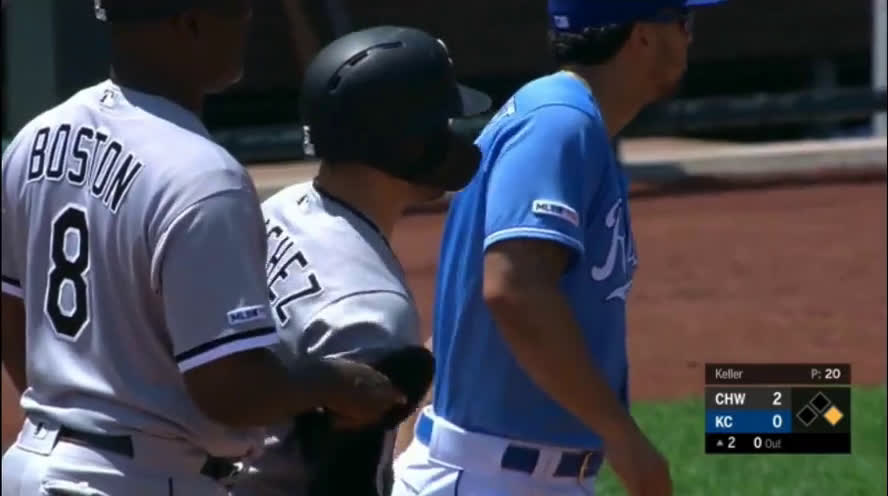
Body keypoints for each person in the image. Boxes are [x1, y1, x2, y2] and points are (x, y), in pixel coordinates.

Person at [0, 2, 404, 495]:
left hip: (30, 464)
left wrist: (76, 411)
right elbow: (229, 390)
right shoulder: (204, 176)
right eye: (237, 9)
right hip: (134, 479)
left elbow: (12, 318)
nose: (247, 21)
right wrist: (335, 383)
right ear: (189, 22)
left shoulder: (36, 139)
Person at [393, 1, 727, 495]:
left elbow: (460, 325)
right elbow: (514, 289)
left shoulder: (562, 118)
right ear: (642, 35)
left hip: (497, 473)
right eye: (682, 20)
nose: (689, 36)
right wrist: (625, 440)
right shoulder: (559, 123)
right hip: (495, 478)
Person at [229, 25, 491, 496]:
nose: (454, 138)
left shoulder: (282, 209)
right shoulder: (371, 309)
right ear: (406, 142)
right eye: (442, 125)